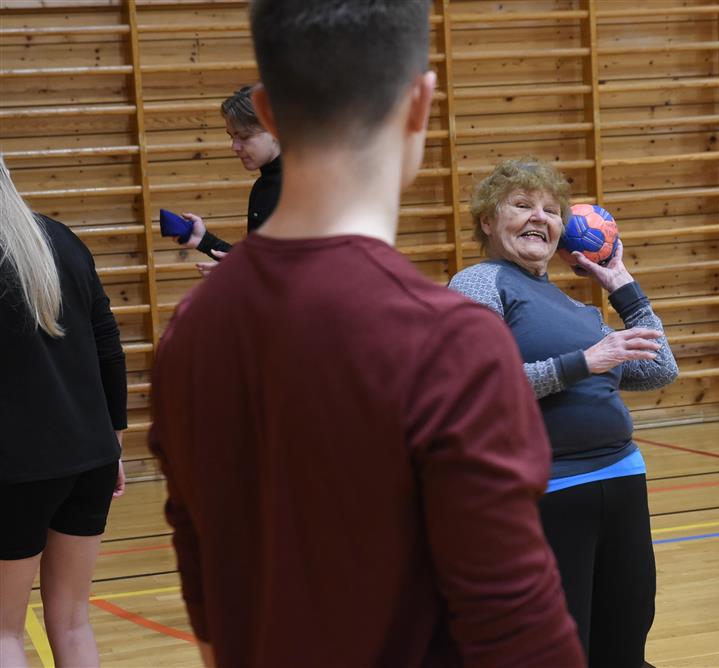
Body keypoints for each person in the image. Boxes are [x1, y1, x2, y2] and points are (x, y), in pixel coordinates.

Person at [147, 2, 584, 667]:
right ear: (420, 103)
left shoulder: (187, 336)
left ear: (265, 109)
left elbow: (204, 580)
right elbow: (518, 631)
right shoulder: (450, 341)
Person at [449, 157, 679, 667]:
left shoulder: (579, 309)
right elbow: (477, 389)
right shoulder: (480, 283)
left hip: (621, 481)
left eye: (551, 210)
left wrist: (623, 285)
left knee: (624, 639)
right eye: (523, 205)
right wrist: (585, 362)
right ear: (488, 220)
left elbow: (660, 370)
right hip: (545, 493)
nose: (540, 217)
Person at [0, 156, 127, 667]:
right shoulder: (60, 239)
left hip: (18, 469)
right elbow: (109, 349)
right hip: (90, 457)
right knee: (73, 621)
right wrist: (112, 443)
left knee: (4, 632)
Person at [180, 84, 282, 275]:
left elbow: (305, 275)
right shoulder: (263, 187)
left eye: (244, 136)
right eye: (232, 136)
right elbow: (260, 264)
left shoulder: (302, 188)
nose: (234, 146)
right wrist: (204, 240)